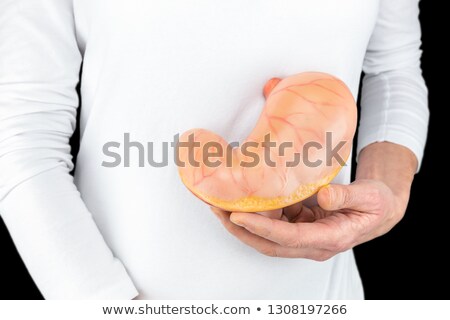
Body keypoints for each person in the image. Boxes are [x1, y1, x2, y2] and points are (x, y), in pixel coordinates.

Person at [0, 0, 428, 299]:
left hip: (327, 297)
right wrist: (102, 305)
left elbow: (394, 67)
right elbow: (24, 133)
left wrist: (387, 190)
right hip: (120, 297)